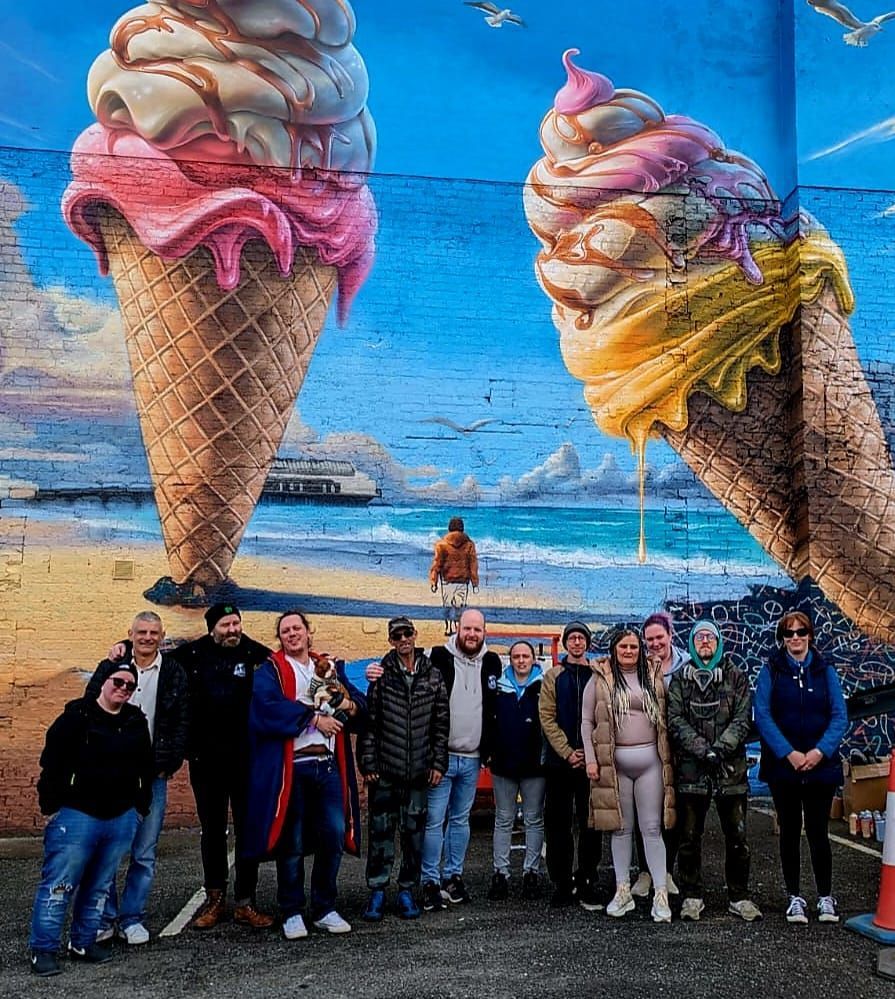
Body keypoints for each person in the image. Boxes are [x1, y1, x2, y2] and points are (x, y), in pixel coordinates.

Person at [244, 610, 366, 940]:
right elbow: (266, 707)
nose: (292, 634)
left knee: (334, 835)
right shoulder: (271, 670)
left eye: (297, 628)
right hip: (292, 768)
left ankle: (325, 907)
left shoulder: (326, 667)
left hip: (327, 767)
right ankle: (293, 911)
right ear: (280, 637)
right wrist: (314, 719)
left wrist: (347, 704)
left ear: (309, 632)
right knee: (292, 842)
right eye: (285, 630)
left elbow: (359, 705)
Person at [29, 661, 153, 977]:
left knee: (99, 886)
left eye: (129, 684)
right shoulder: (75, 718)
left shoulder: (135, 721)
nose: (123, 688)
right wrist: (52, 807)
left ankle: (83, 942)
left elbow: (145, 766)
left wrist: (140, 807)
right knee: (59, 884)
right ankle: (43, 949)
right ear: (102, 682)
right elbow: (52, 763)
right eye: (118, 681)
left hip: (121, 816)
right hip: (77, 815)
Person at [87, 611, 189, 945]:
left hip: (152, 775)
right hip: (111, 774)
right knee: (108, 851)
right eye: (141, 631)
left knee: (144, 852)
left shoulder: (173, 672)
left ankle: (132, 919)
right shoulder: (110, 667)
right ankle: (104, 918)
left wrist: (167, 764)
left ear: (163, 635)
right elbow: (89, 709)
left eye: (154, 632)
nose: (147, 637)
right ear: (130, 634)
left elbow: (180, 723)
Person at [177, 603, 274, 930]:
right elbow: (151, 662)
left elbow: (289, 668)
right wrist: (120, 652)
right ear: (211, 629)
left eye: (236, 624)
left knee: (249, 830)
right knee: (213, 831)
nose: (233, 630)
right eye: (225, 625)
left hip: (247, 761)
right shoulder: (189, 655)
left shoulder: (257, 654)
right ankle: (215, 899)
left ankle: (246, 902)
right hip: (205, 762)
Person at [753, 610, 848, 924]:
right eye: (789, 633)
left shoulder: (825, 670)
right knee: (789, 832)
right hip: (785, 767)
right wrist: (788, 753)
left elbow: (839, 716)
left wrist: (820, 751)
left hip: (821, 766)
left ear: (810, 635)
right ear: (782, 638)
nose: (795, 638)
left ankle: (825, 896)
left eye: (801, 632)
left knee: (819, 832)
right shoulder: (772, 670)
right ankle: (794, 896)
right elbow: (763, 715)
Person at [666, 620, 761, 922]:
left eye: (709, 637)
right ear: (692, 644)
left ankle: (739, 896)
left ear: (718, 642)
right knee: (689, 838)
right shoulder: (681, 679)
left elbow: (744, 719)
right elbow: (675, 719)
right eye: (699, 637)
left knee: (737, 837)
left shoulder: (736, 676)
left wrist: (719, 749)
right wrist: (701, 750)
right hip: (692, 774)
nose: (704, 642)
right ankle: (692, 895)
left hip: (730, 772)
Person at [357, 616, 449, 922]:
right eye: (397, 635)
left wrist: (438, 763)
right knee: (380, 833)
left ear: (415, 635)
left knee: (414, 836)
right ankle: (377, 891)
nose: (403, 639)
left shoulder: (433, 675)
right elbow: (370, 724)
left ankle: (408, 890)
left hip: (419, 772)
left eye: (407, 633)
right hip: (385, 770)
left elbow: (440, 724)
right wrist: (368, 762)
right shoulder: (380, 676)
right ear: (391, 640)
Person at [581, 628, 675, 922]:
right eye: (624, 646)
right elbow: (586, 721)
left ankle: (660, 893)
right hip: (614, 763)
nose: (629, 651)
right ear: (614, 648)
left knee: (651, 829)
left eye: (634, 646)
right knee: (620, 828)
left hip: (650, 762)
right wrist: (591, 759)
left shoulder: (654, 674)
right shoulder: (599, 678)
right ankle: (622, 890)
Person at [420, 608, 501, 910]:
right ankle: (429, 881)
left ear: (484, 631)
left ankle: (452, 877)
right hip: (440, 760)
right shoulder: (438, 657)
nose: (471, 634)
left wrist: (488, 750)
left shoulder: (492, 662)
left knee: (460, 821)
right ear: (458, 629)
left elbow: (494, 706)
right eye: (467, 628)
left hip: (472, 759)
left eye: (477, 630)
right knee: (434, 821)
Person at [538, 620, 603, 910]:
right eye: (572, 638)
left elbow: (604, 716)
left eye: (581, 638)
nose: (577, 643)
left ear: (587, 643)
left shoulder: (599, 676)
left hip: (592, 764)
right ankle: (562, 882)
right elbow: (547, 718)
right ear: (565, 643)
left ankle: (588, 878)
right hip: (559, 763)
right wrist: (567, 751)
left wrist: (590, 752)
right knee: (558, 824)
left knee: (590, 823)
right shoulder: (554, 676)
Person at [630, 611, 688, 897]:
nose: (655, 644)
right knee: (646, 810)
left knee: (672, 811)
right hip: (647, 749)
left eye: (659, 638)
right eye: (649, 639)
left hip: (679, 750)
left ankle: (665, 869)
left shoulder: (687, 666)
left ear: (670, 636)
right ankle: (644, 871)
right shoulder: (637, 668)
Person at [487, 640, 546, 901]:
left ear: (534, 659)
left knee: (533, 819)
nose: (521, 660)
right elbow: (488, 720)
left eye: (526, 656)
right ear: (510, 659)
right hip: (503, 764)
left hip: (535, 765)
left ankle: (530, 873)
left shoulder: (544, 687)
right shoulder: (498, 688)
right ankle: (500, 873)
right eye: (516, 656)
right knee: (503, 819)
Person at [429, 516, 480, 635]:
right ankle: (457, 626)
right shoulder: (469, 544)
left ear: (449, 528)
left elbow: (437, 564)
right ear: (462, 528)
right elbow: (473, 565)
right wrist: (475, 583)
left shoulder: (441, 544)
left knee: (447, 605)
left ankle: (448, 627)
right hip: (463, 580)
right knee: (459, 606)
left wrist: (434, 580)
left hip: (447, 580)